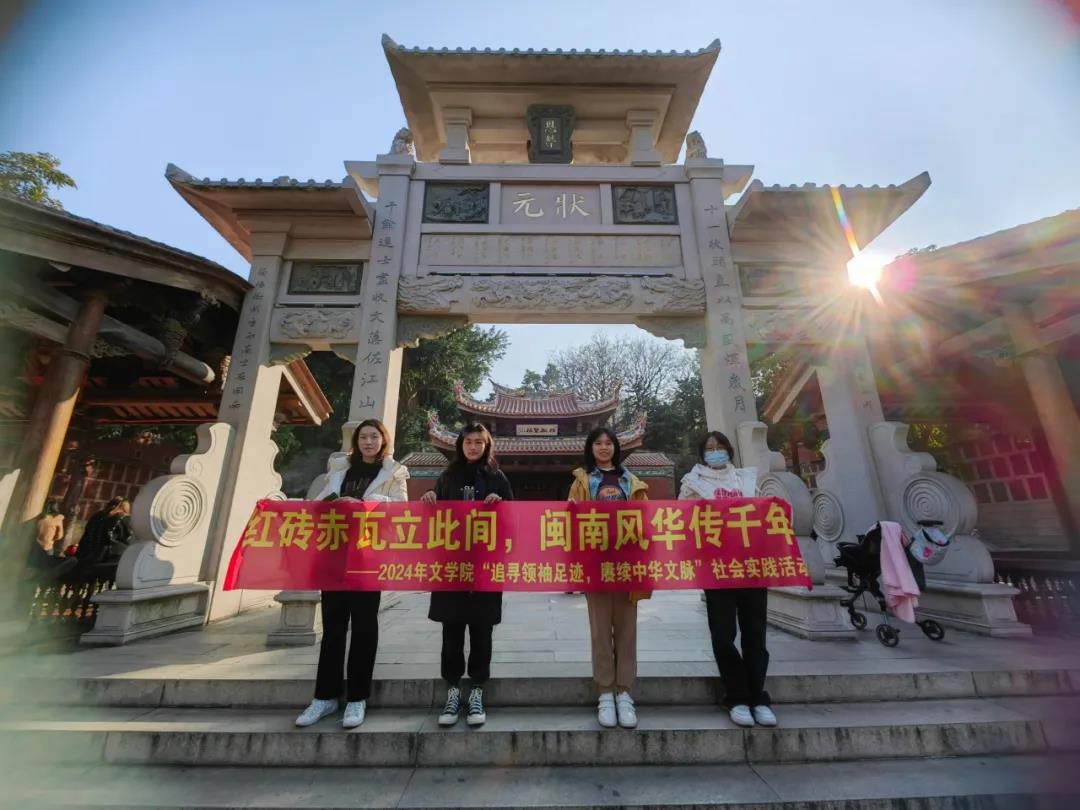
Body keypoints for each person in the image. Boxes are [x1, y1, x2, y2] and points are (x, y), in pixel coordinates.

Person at [294, 419, 409, 730]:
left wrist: (364, 504)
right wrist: (336, 502)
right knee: (332, 627)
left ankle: (357, 697)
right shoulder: (339, 468)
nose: (368, 442)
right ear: (356, 441)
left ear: (383, 440)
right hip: (334, 553)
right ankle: (324, 696)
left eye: (374, 436)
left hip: (368, 556)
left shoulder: (394, 472)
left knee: (364, 627)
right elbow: (317, 504)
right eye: (363, 437)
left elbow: (401, 509)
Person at [679, 430, 776, 728]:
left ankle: (758, 696)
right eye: (709, 448)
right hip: (717, 567)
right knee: (723, 635)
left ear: (729, 450)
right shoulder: (692, 483)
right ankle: (737, 696)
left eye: (720, 446)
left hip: (751, 565)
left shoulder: (745, 479)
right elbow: (682, 521)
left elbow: (762, 517)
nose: (715, 451)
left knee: (755, 633)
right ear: (702, 454)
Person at [420, 422, 512, 728]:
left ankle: (476, 692)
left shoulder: (497, 478)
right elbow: (432, 520)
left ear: (487, 446)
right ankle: (452, 691)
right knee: (452, 632)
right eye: (468, 441)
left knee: (482, 632)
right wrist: (429, 499)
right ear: (460, 444)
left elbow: (513, 521)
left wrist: (500, 505)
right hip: (451, 567)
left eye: (479, 442)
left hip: (484, 568)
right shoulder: (447, 476)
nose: (473, 447)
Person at [568, 426, 648, 729]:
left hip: (628, 564)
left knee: (627, 630)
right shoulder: (582, 481)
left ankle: (624, 692)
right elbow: (570, 523)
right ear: (590, 448)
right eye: (598, 443)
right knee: (600, 630)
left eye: (608, 443)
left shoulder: (633, 482)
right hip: (596, 564)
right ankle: (605, 691)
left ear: (616, 447)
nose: (603, 447)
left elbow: (647, 522)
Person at [74, 497, 133, 572]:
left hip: (87, 556)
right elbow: (127, 538)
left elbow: (87, 535)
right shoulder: (125, 519)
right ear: (126, 509)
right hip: (110, 558)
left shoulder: (97, 516)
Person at [27, 501, 76, 581]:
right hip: (48, 546)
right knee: (45, 567)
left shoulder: (39, 517)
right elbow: (59, 536)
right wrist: (51, 538)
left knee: (32, 565)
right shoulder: (57, 519)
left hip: (35, 545)